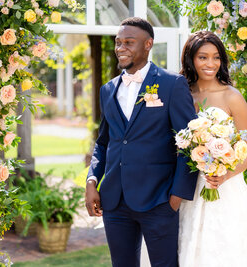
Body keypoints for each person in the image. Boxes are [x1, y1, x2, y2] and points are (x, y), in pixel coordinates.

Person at [85, 17, 198, 267]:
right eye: (118, 43)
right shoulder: (108, 89)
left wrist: (176, 197)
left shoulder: (171, 84)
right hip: (114, 201)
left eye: (128, 42)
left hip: (158, 200)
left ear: (148, 44)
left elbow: (189, 143)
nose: (120, 48)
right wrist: (92, 180)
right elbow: (104, 142)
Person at [177, 31, 247, 266]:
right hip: (188, 187)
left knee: (226, 250)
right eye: (203, 57)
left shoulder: (232, 97)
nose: (211, 64)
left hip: (226, 189)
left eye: (216, 57)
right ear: (191, 59)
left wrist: (225, 174)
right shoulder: (181, 94)